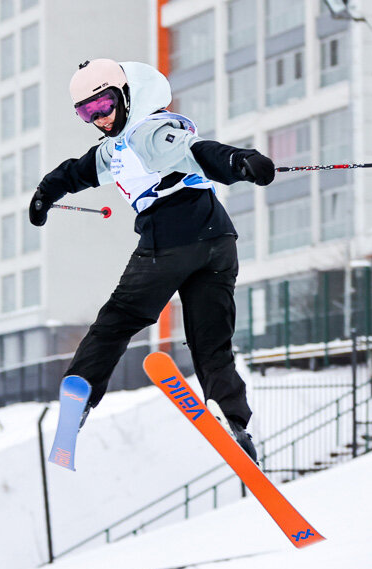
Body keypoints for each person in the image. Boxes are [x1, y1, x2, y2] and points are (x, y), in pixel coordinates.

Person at [28, 59, 276, 462]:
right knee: (212, 340)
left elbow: (196, 151)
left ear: (126, 95)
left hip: (171, 237)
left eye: (104, 105)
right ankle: (235, 420)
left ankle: (81, 392)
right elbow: (74, 172)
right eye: (87, 113)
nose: (101, 118)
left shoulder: (150, 129)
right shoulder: (115, 147)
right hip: (217, 238)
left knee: (119, 319)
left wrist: (238, 161)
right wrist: (44, 195)